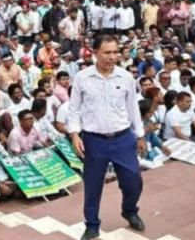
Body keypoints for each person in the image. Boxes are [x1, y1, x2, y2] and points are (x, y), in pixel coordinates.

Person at [68, 34, 146, 239]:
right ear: (95, 53)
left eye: (115, 52)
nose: (112, 57)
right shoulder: (82, 78)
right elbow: (74, 110)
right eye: (107, 52)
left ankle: (129, 210)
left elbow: (133, 108)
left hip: (123, 138)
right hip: (94, 140)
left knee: (133, 180)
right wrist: (75, 134)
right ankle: (92, 224)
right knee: (93, 186)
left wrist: (140, 135)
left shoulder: (126, 77)